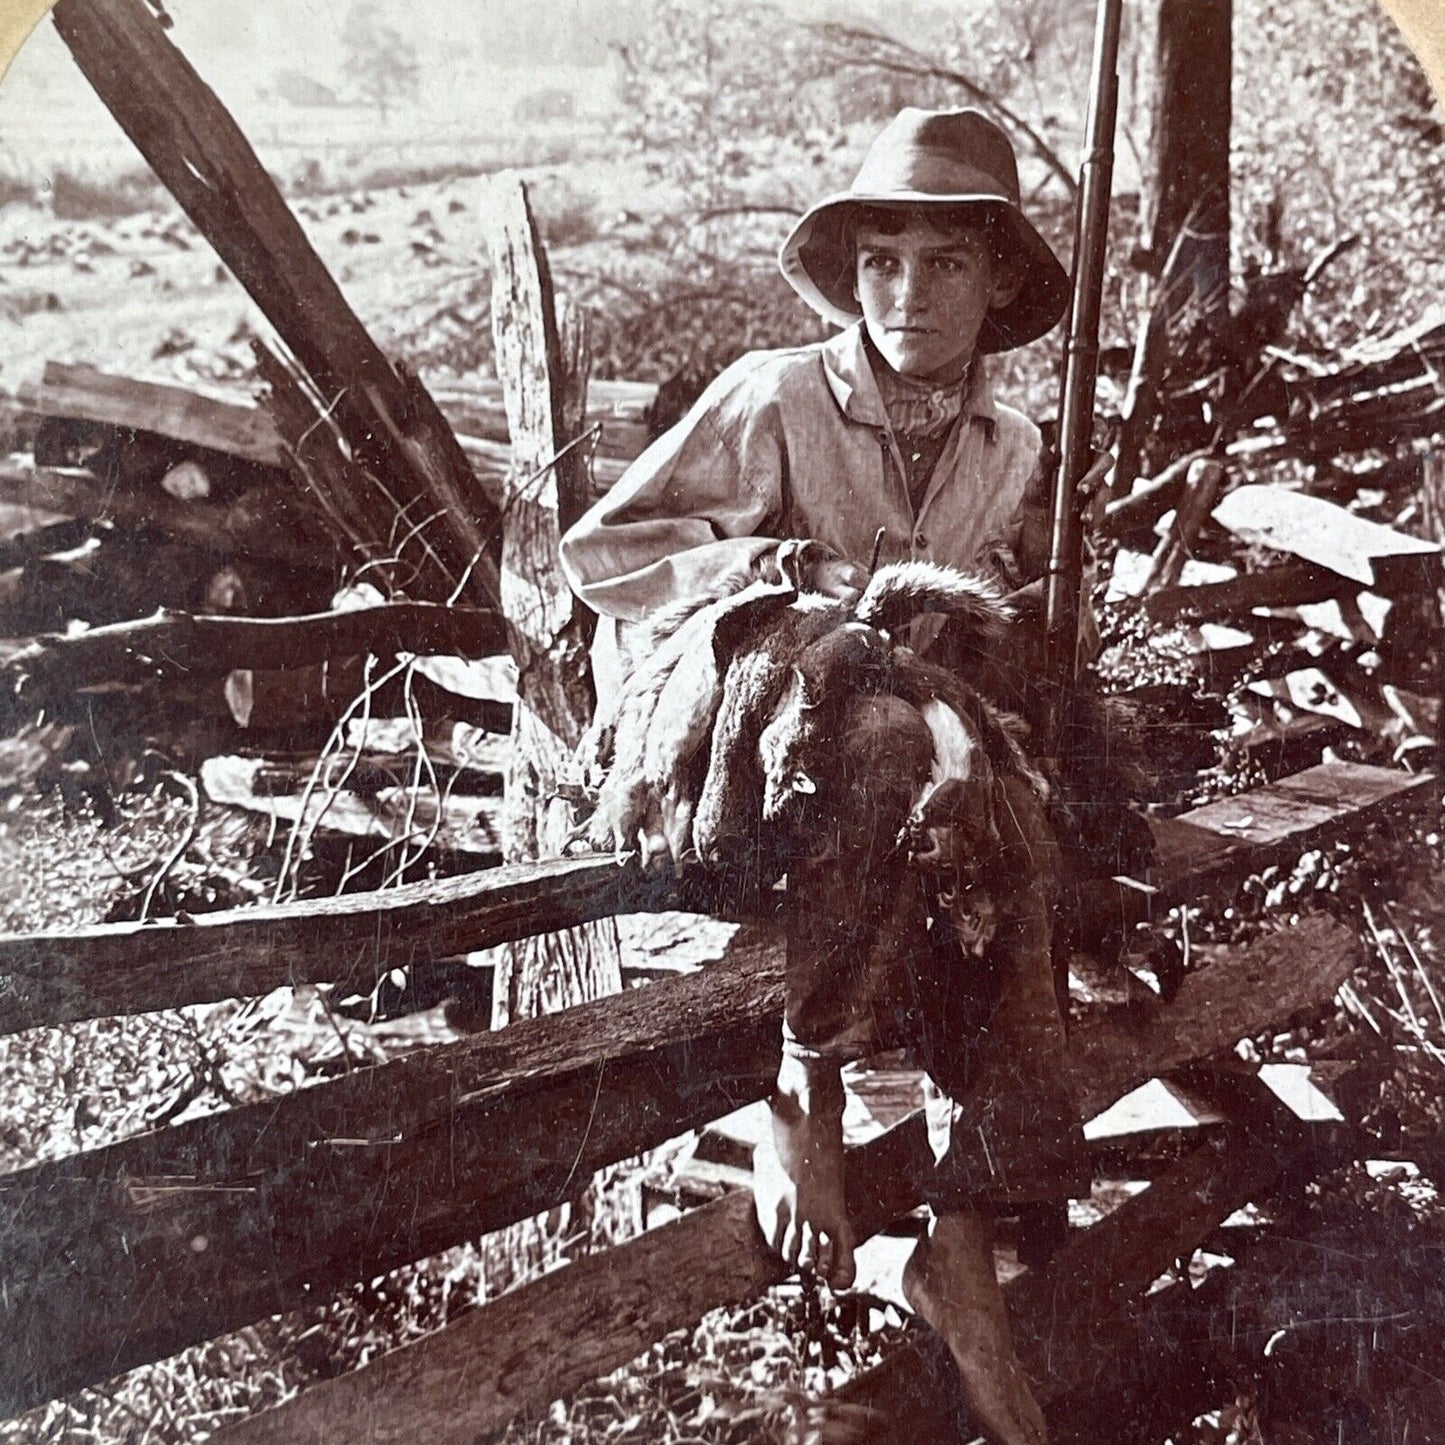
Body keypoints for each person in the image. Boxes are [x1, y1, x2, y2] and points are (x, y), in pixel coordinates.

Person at [561, 108, 1089, 1445]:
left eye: (946, 263)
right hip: (739, 742)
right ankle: (797, 1096)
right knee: (887, 740)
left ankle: (963, 1221)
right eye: (883, 261)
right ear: (850, 275)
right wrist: (776, 583)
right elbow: (607, 552)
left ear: (1001, 282)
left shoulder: (1007, 444)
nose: (909, 291)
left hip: (890, 767)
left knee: (1005, 798)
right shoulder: (776, 393)